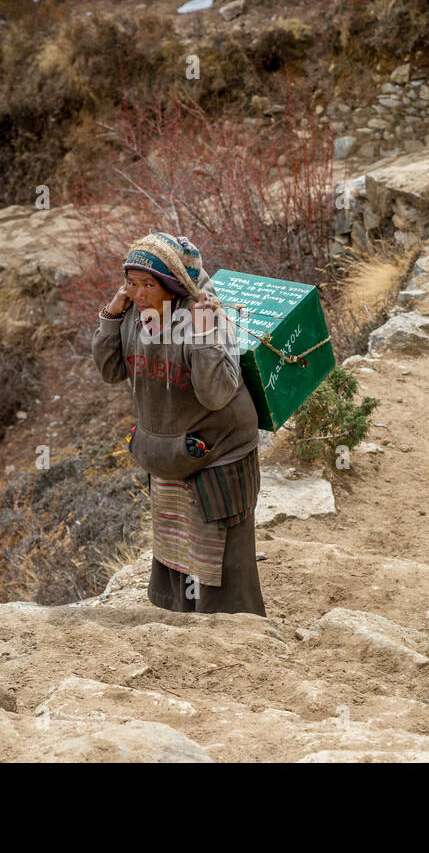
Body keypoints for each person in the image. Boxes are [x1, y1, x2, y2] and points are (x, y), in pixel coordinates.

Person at [91, 232, 267, 616]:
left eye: (148, 285)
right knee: (175, 547)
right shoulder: (135, 316)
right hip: (171, 452)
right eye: (131, 284)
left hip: (219, 453)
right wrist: (110, 316)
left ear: (173, 286)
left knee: (219, 557)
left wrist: (204, 334)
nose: (138, 294)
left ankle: (237, 635)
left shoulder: (207, 320)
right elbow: (110, 371)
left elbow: (216, 395)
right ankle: (184, 625)